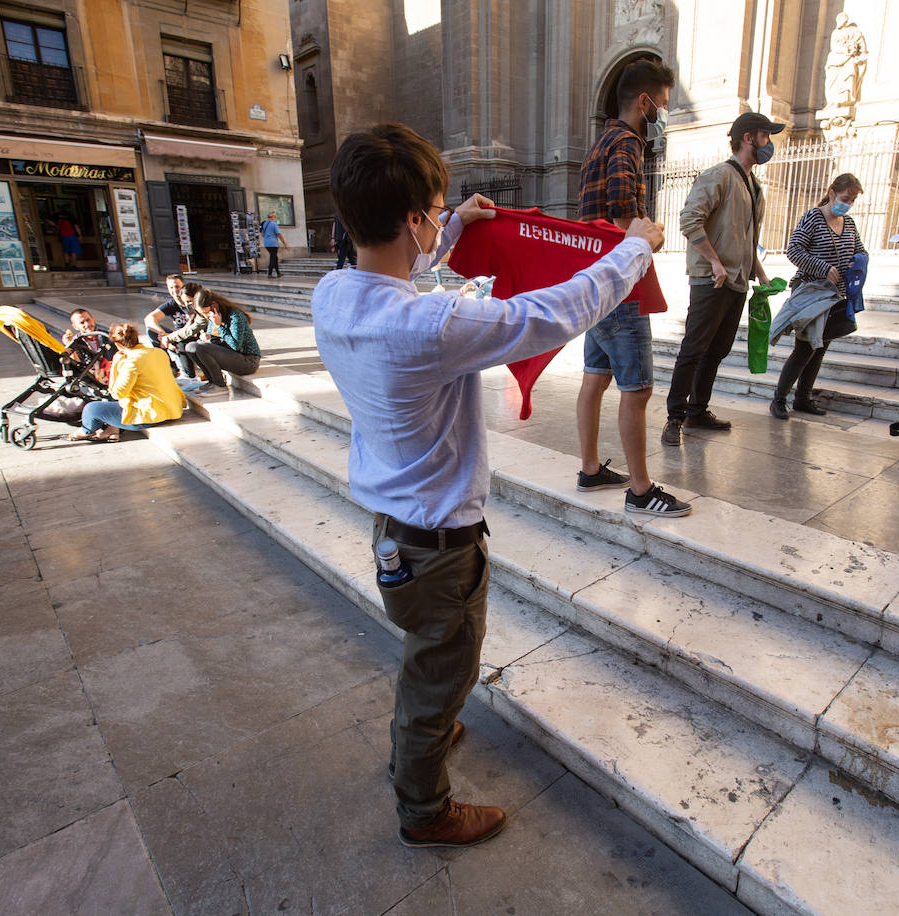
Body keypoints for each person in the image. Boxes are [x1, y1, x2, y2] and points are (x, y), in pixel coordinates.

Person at [311, 122, 664, 849]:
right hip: (439, 548)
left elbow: (395, 264)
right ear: (412, 219)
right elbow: (554, 312)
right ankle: (424, 806)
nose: (440, 221)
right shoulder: (429, 324)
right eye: (434, 211)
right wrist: (634, 248)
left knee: (432, 658)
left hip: (396, 534)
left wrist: (451, 229)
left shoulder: (334, 296)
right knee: (441, 667)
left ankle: (429, 724)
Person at [575, 58, 690, 517]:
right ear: (644, 102)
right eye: (661, 104)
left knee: (595, 377)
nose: (662, 113)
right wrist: (649, 235)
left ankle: (589, 469)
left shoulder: (598, 143)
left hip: (595, 280)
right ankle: (641, 491)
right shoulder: (626, 144)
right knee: (637, 389)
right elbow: (624, 214)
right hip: (621, 283)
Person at [662, 111, 783, 445]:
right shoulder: (719, 176)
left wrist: (759, 273)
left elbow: (744, 240)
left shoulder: (755, 187)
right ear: (749, 138)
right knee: (694, 348)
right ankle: (675, 417)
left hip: (736, 281)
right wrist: (715, 262)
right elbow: (689, 221)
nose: (768, 143)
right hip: (710, 279)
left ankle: (698, 411)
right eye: (766, 136)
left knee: (717, 350)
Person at [770, 173, 867, 419]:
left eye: (853, 200)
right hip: (812, 294)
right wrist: (823, 268)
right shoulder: (813, 217)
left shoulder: (850, 223)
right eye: (846, 198)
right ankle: (779, 400)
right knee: (805, 348)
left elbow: (860, 251)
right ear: (832, 192)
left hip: (837, 297)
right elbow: (793, 250)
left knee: (820, 348)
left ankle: (803, 398)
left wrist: (857, 263)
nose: (848, 203)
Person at [69, 324, 186, 442]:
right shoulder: (158, 352)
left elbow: (117, 393)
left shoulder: (131, 361)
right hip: (173, 409)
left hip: (152, 415)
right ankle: (112, 430)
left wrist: (115, 363)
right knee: (114, 402)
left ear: (117, 344)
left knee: (91, 409)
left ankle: (84, 431)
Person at [185, 289, 260, 390]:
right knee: (191, 347)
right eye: (202, 314)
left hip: (248, 361)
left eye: (206, 312)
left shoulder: (235, 316)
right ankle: (211, 381)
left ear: (214, 305)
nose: (205, 316)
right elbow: (215, 344)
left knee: (202, 348)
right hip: (231, 356)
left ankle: (219, 385)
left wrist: (219, 326)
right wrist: (208, 338)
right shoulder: (213, 318)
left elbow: (235, 345)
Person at [143, 274, 196, 377]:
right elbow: (149, 319)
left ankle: (189, 373)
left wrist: (170, 338)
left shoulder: (192, 302)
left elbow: (195, 326)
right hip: (177, 336)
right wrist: (162, 335)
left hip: (192, 335)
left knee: (182, 341)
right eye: (171, 287)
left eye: (177, 286)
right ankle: (170, 366)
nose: (174, 290)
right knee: (151, 331)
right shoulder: (171, 304)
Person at [60, 308, 111, 385]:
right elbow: (77, 366)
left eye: (88, 320)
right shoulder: (76, 341)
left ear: (93, 319)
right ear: (75, 327)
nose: (87, 324)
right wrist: (69, 346)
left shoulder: (107, 336)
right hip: (91, 380)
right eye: (82, 322)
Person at [261, 210, 288, 278]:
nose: (275, 218)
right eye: (275, 216)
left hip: (266, 243)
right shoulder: (274, 224)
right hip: (273, 243)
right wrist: (284, 243)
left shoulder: (265, 223)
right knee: (273, 258)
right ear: (272, 217)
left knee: (275, 257)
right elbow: (279, 234)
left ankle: (278, 273)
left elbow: (262, 234)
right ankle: (269, 274)